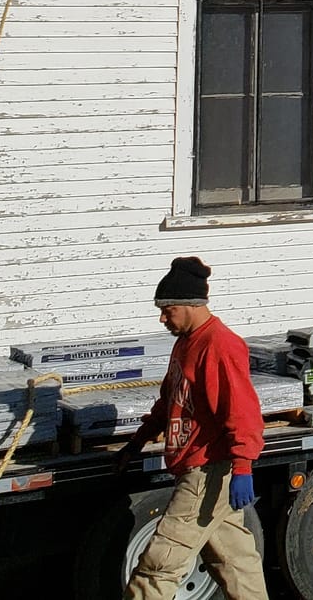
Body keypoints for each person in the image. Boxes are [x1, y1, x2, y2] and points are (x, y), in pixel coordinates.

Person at [113, 256, 267, 600]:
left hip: (206, 470)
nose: (162, 318)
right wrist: (136, 443)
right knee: (236, 562)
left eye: (168, 310)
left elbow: (241, 412)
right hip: (199, 469)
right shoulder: (185, 343)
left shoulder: (219, 346)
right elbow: (170, 402)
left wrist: (243, 467)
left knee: (159, 564)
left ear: (191, 304)